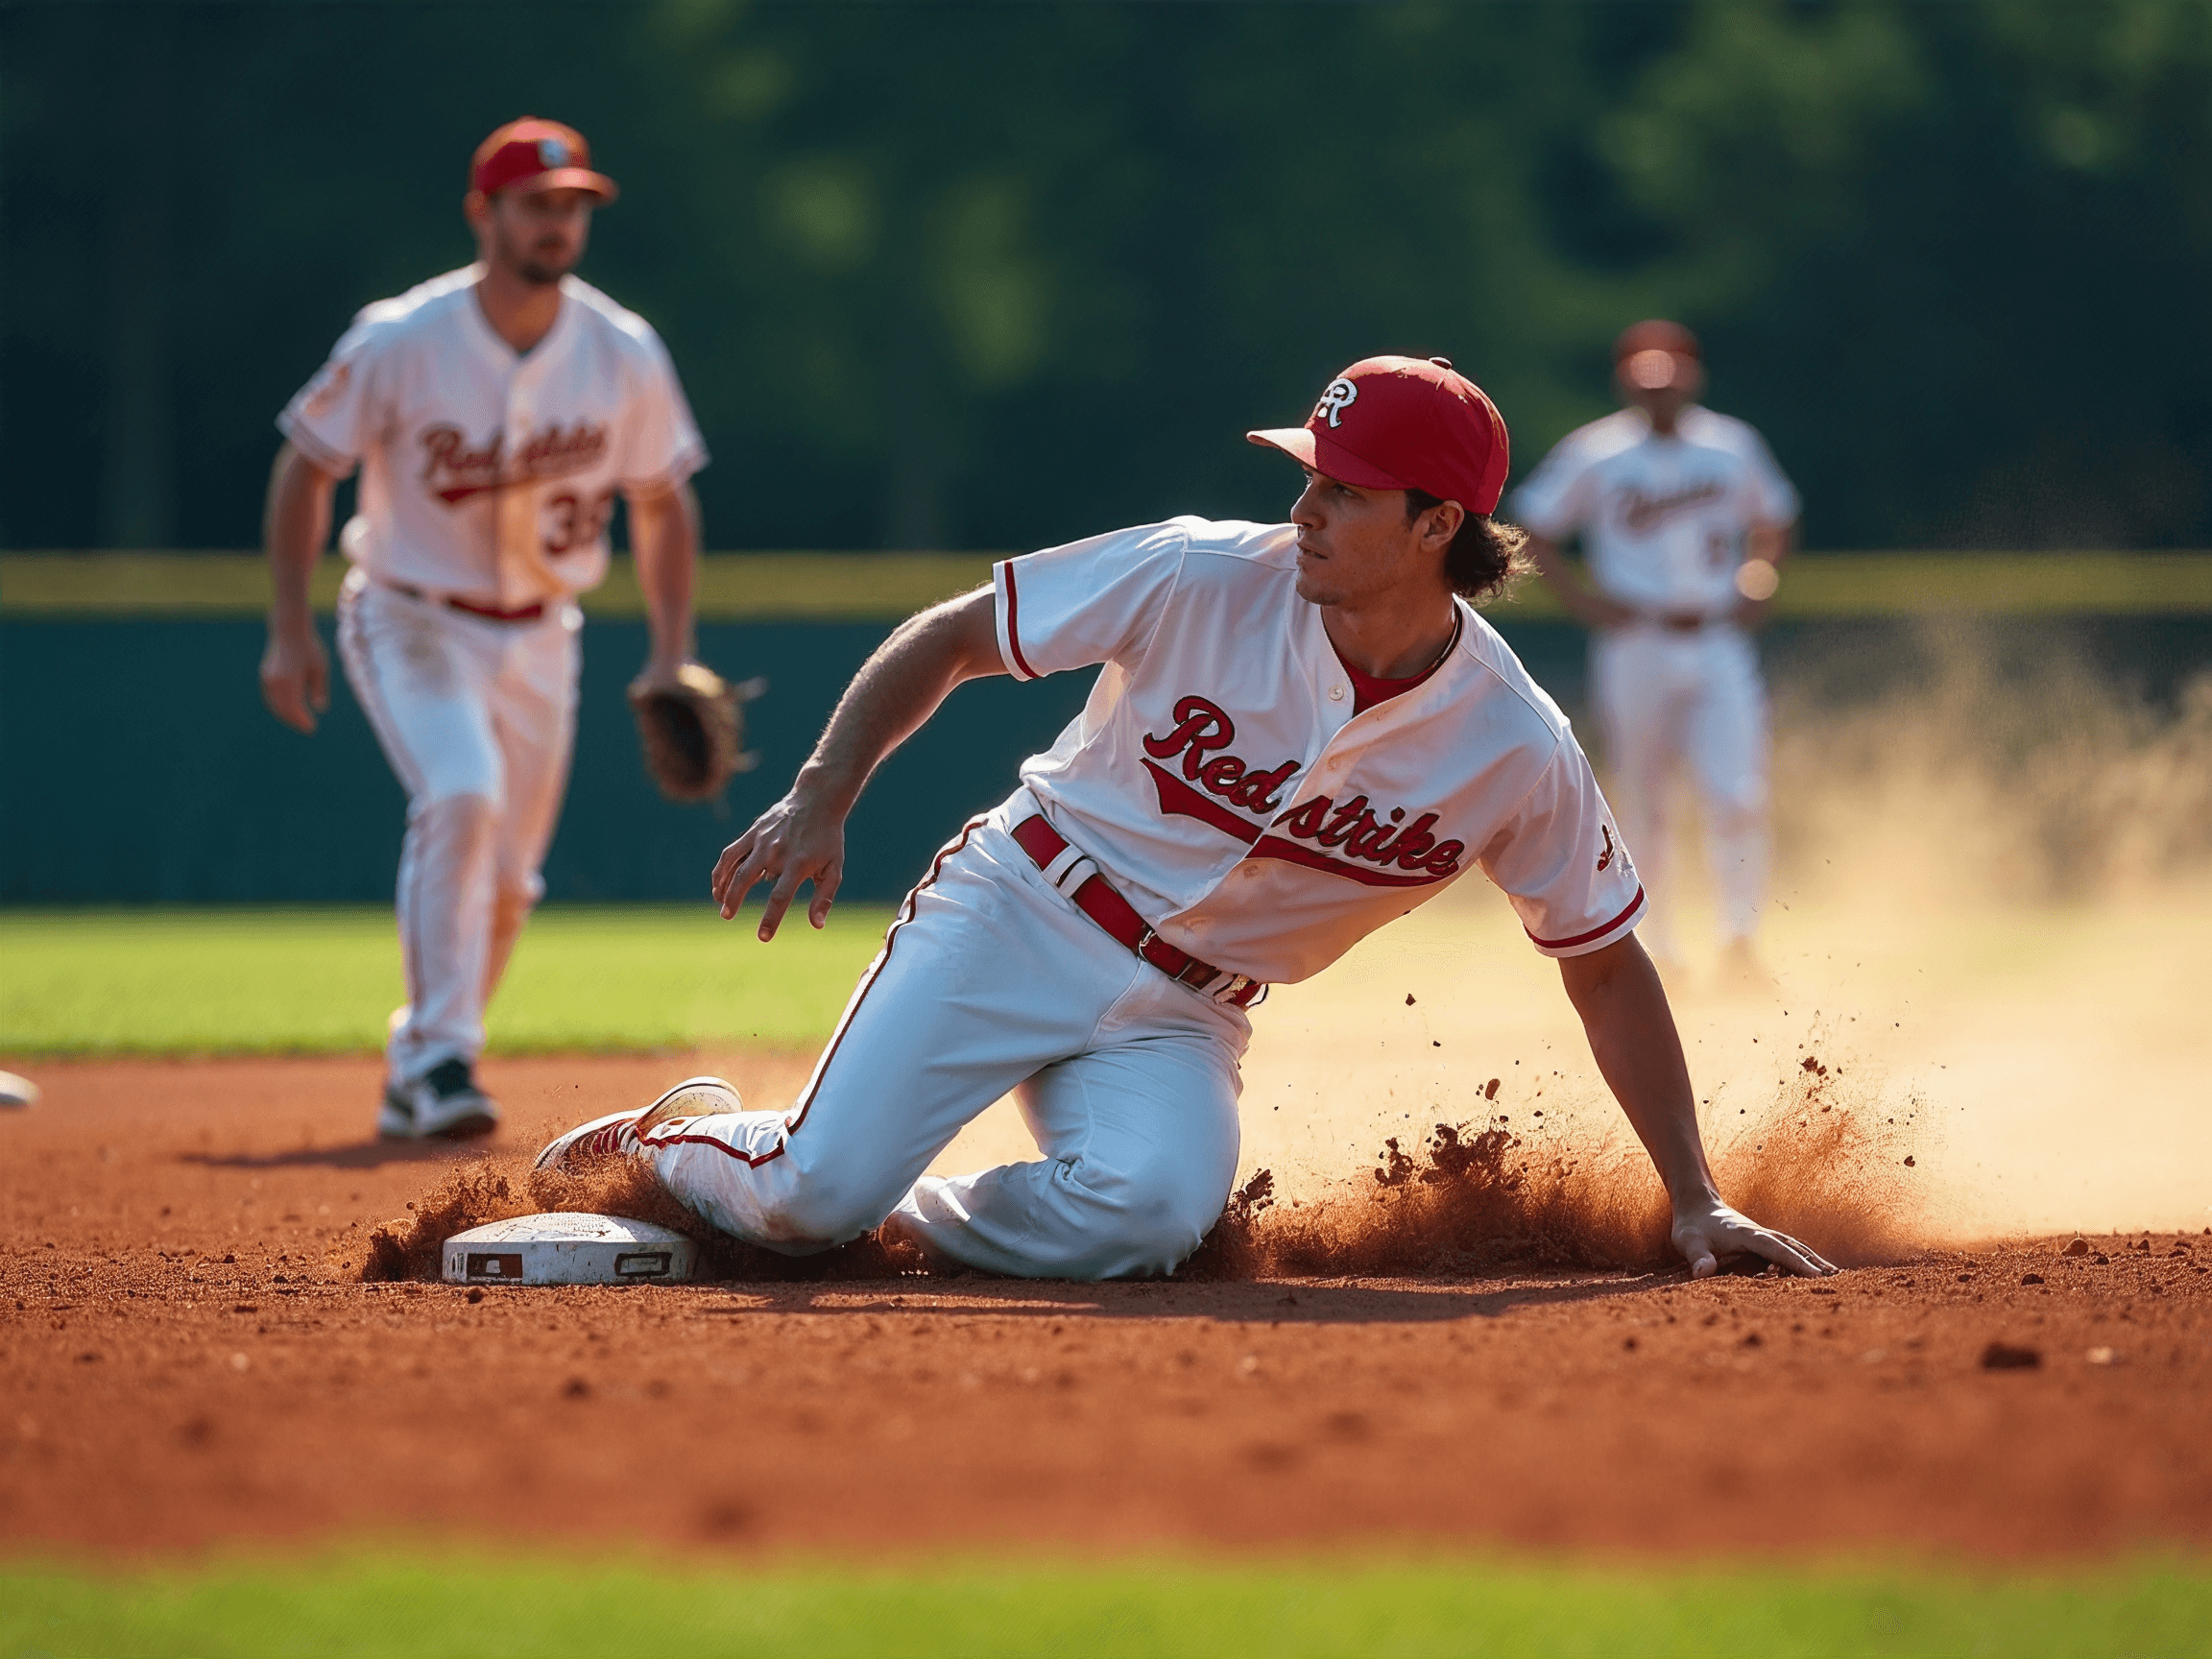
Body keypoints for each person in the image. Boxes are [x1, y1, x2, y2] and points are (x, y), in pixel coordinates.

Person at [538, 354, 1834, 1283]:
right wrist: (822, 794)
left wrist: (1694, 1195)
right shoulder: (1203, 570)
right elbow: (952, 637)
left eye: (1346, 490)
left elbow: (1605, 963)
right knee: (799, 1197)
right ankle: (697, 1138)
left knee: (1144, 1220)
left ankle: (877, 1212)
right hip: (1023, 912)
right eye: (1309, 475)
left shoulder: (1512, 741)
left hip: (1187, 1008)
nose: (1306, 507)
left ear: (1439, 524)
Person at [259, 117, 709, 1140]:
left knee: (510, 881)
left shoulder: (621, 349)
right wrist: (289, 629)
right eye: (538, 205)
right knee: (462, 797)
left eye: (573, 208)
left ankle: (421, 1067)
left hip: (545, 631)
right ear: (484, 213)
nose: (558, 225)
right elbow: (305, 464)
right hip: (410, 613)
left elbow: (664, 497)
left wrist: (672, 649)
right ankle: (437, 1059)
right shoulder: (400, 339)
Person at [1511, 321, 1800, 981]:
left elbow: (1775, 514)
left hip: (1719, 635)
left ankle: (1740, 939)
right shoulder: (1597, 452)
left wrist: (1763, 572)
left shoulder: (1730, 445)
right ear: (1625, 382)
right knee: (1644, 798)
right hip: (1635, 639)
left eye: (1671, 376)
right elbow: (1536, 524)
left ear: (1693, 376)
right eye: (1646, 378)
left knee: (1738, 792)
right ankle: (1657, 944)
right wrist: (1585, 602)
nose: (1660, 389)